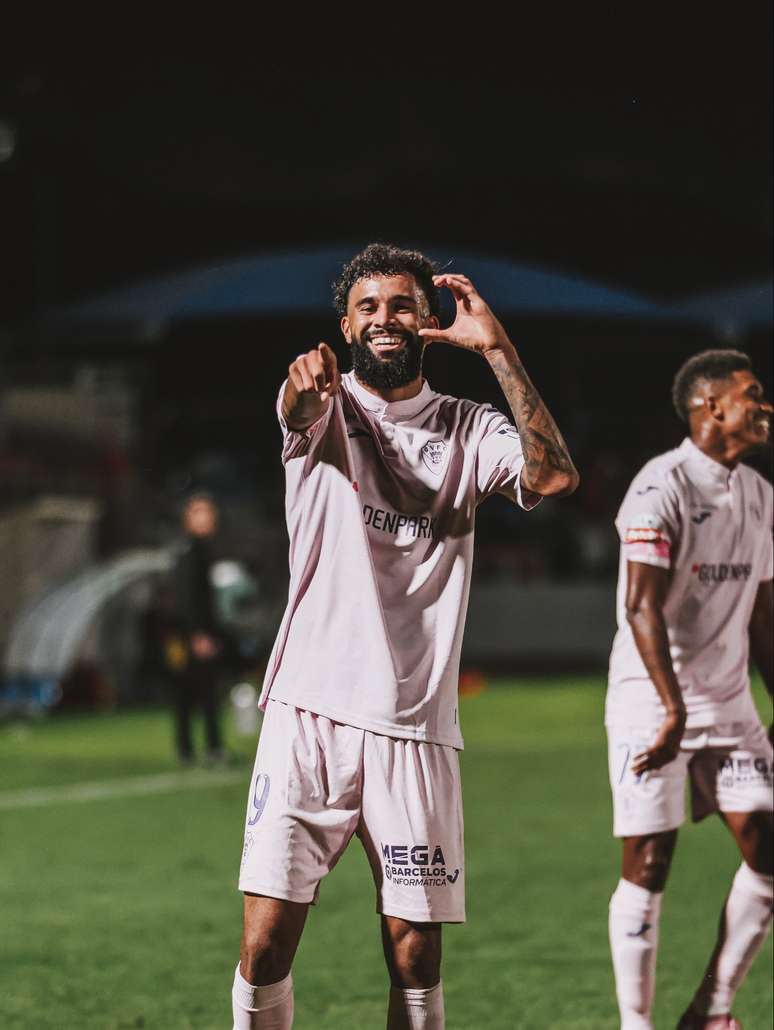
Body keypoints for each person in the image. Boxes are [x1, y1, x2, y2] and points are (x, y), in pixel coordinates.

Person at [230, 243, 579, 1029]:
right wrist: (298, 391)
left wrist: (497, 350)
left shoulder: (467, 425)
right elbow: (295, 411)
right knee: (265, 946)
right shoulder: (326, 409)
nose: (384, 319)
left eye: (400, 306)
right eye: (368, 307)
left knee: (415, 956)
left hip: (414, 727)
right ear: (346, 323)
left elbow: (552, 477)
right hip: (308, 714)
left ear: (426, 320)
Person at [605, 350, 773, 1030]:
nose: (765, 406)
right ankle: (637, 1026)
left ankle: (711, 1009)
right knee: (649, 860)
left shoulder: (761, 496)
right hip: (651, 699)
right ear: (710, 406)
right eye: (753, 394)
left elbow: (764, 616)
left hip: (729, 706)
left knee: (769, 848)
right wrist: (671, 708)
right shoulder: (659, 486)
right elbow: (639, 606)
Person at [166, 492, 226, 764]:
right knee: (199, 692)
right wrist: (198, 634)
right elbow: (187, 597)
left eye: (209, 511)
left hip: (189, 633)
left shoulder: (198, 550)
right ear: (187, 519)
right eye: (199, 511)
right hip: (191, 635)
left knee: (190, 691)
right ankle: (207, 748)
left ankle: (188, 749)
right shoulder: (192, 552)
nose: (208, 516)